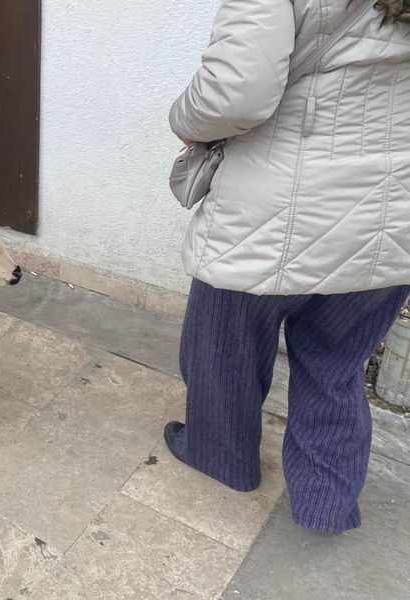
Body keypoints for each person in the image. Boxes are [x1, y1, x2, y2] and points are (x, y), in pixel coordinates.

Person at [165, 0, 410, 535]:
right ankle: (327, 506)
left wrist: (182, 120)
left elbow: (235, 92)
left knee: (220, 352)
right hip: (390, 219)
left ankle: (221, 460)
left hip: (268, 217)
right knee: (336, 369)